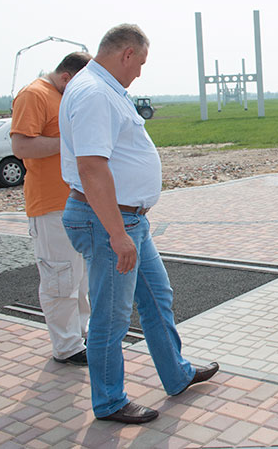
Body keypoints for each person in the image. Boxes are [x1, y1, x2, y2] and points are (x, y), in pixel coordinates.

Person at [59, 24, 218, 424]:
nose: (141, 72)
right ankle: (110, 402)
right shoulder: (95, 93)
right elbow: (92, 167)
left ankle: (176, 373)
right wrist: (116, 234)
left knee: (156, 296)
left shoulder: (103, 89)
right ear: (126, 53)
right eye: (141, 62)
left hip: (127, 219)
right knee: (111, 316)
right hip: (109, 221)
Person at [11, 52, 92, 366]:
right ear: (66, 78)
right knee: (60, 279)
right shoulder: (34, 94)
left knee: (80, 278)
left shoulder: (60, 95)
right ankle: (67, 346)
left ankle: (81, 335)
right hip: (49, 206)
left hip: (74, 203)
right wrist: (70, 143)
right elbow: (21, 146)